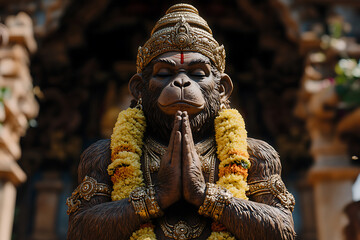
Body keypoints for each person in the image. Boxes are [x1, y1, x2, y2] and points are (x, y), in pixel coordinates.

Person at [66, 3, 295, 240]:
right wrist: (157, 197)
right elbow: (79, 230)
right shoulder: (105, 155)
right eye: (165, 74)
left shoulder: (254, 154)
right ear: (138, 89)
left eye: (197, 74)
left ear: (223, 89)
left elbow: (283, 230)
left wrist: (205, 195)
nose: (182, 82)